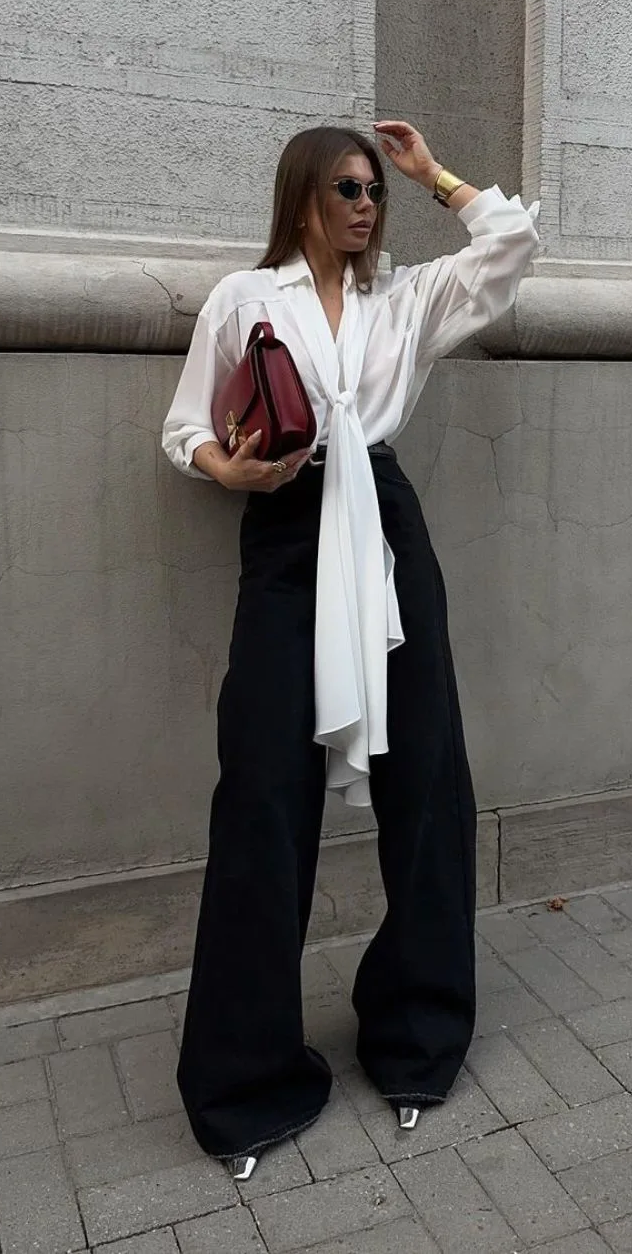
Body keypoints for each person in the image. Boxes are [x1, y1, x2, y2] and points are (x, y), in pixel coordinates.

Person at [161, 120, 540, 1179]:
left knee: (428, 784)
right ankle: (243, 1080)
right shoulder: (247, 300)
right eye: (349, 187)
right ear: (302, 198)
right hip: (285, 536)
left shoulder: (404, 299)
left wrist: (439, 178)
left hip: (382, 525)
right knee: (261, 798)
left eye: (375, 187)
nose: (367, 203)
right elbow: (183, 424)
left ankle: (417, 1039)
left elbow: (511, 249)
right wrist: (226, 472)